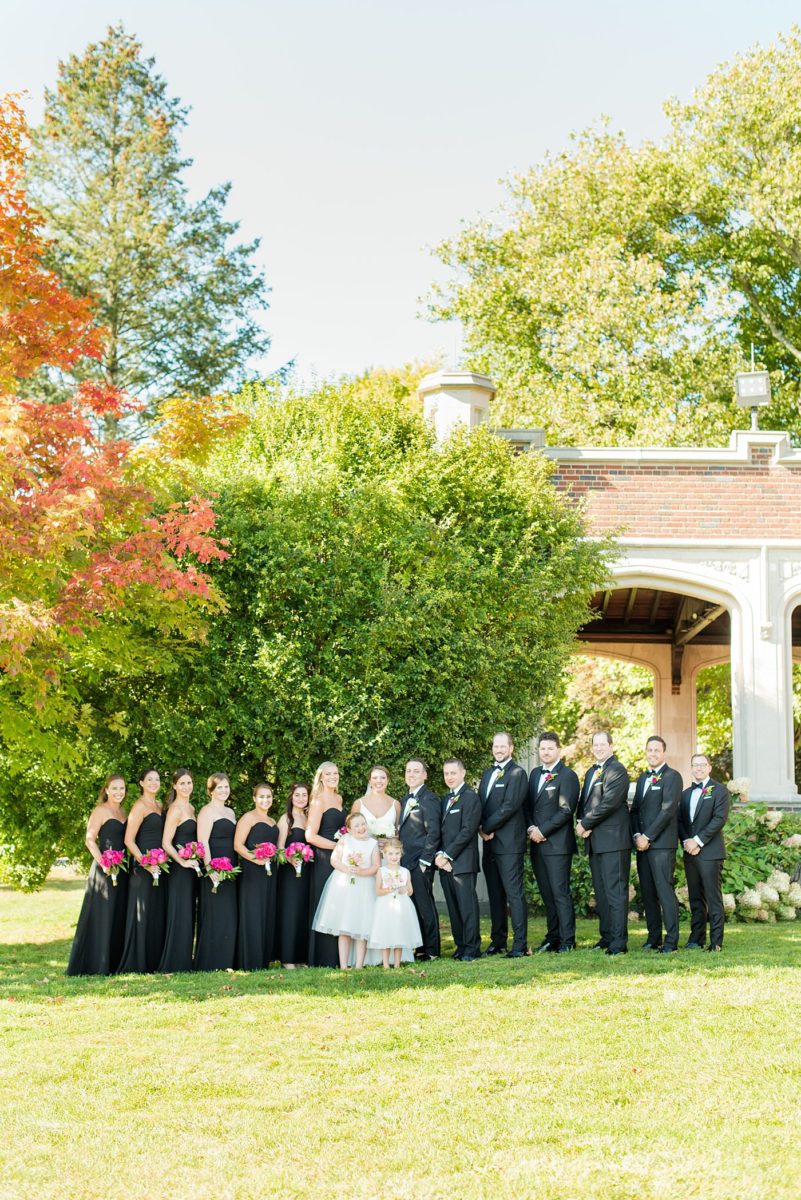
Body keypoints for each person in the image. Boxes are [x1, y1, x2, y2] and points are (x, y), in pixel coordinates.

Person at [67, 774, 129, 976]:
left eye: (122, 788)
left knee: (118, 914)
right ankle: (95, 964)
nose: (119, 792)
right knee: (103, 915)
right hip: (105, 870)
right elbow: (89, 839)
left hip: (122, 870)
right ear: (107, 790)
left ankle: (113, 962)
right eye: (115, 788)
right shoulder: (100, 811)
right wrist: (104, 862)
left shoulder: (123, 812)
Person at [576, 732, 631, 955]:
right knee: (601, 893)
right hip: (595, 841)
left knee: (616, 892)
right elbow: (585, 801)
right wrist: (580, 820)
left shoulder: (617, 770)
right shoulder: (591, 771)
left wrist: (586, 823)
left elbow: (609, 803)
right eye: (595, 745)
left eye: (602, 744)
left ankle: (619, 942)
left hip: (613, 841)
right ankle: (606, 936)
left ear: (611, 746)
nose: (598, 748)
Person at [525, 732, 580, 953]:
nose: (545, 752)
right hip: (537, 843)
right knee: (547, 894)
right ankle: (553, 937)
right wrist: (531, 828)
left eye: (550, 748)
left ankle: (568, 940)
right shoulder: (534, 774)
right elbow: (527, 806)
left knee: (560, 892)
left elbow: (566, 810)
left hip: (557, 844)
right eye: (542, 748)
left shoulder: (568, 775)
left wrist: (543, 830)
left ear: (559, 749)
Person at [630, 736, 683, 954]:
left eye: (656, 750)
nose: (652, 753)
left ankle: (671, 941)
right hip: (642, 845)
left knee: (664, 891)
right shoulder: (643, 778)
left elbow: (668, 810)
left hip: (661, 845)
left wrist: (648, 836)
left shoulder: (672, 777)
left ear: (664, 752)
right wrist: (636, 835)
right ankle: (654, 938)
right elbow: (635, 810)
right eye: (649, 750)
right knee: (648, 892)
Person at [478, 732, 529, 957]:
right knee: (495, 894)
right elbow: (481, 804)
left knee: (514, 894)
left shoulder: (518, 773)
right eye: (495, 746)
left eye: (502, 746)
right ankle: (498, 941)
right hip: (489, 844)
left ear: (511, 748)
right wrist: (479, 827)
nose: (498, 750)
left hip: (509, 844)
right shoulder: (488, 773)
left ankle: (519, 944)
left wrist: (486, 828)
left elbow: (509, 807)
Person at [311, 811, 380, 968]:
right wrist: (347, 869)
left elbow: (376, 866)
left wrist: (362, 872)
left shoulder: (372, 843)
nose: (361, 828)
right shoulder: (344, 840)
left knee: (363, 926)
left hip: (365, 887)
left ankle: (359, 965)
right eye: (357, 825)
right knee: (344, 926)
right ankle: (343, 965)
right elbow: (334, 859)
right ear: (349, 829)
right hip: (343, 885)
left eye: (363, 824)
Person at [679, 753, 730, 952]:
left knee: (712, 897)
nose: (698, 768)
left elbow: (719, 819)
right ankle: (696, 938)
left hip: (710, 852)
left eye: (702, 765)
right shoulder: (685, 794)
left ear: (709, 767)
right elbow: (681, 822)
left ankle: (715, 941)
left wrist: (698, 841)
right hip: (690, 852)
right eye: (695, 765)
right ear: (691, 768)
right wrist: (686, 841)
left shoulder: (719, 791)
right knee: (695, 898)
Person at [117, 767, 167, 974]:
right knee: (143, 913)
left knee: (156, 913)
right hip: (143, 867)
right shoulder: (139, 806)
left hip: (160, 866)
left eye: (157, 779)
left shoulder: (159, 804)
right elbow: (129, 840)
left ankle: (154, 961)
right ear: (141, 783)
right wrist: (145, 862)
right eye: (150, 780)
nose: (154, 783)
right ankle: (137, 963)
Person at [435, 758, 482, 962]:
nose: (449, 777)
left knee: (467, 907)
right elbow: (440, 831)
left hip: (462, 862)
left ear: (463, 773)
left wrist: (447, 855)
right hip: (445, 864)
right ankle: (461, 945)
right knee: (453, 908)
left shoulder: (471, 798)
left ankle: (472, 948)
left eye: (453, 773)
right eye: (446, 774)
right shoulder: (445, 799)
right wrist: (439, 855)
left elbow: (467, 831)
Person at [194, 772, 238, 971]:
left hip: (230, 867)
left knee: (228, 913)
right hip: (214, 867)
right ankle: (211, 962)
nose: (224, 790)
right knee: (215, 912)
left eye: (226, 787)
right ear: (211, 791)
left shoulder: (231, 812)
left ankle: (227, 960)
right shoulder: (206, 811)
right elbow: (202, 842)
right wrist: (210, 868)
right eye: (219, 787)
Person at [398, 757, 441, 960]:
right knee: (414, 906)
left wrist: (425, 861)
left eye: (416, 771)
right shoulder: (405, 800)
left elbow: (433, 832)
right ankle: (421, 947)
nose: (411, 774)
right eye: (408, 771)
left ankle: (432, 950)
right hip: (406, 862)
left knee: (425, 905)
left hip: (420, 862)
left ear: (424, 775)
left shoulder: (429, 799)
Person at [234, 782, 279, 970]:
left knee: (266, 912)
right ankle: (249, 960)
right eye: (261, 797)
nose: (265, 800)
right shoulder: (248, 818)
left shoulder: (273, 822)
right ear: (254, 798)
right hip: (252, 872)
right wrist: (256, 858)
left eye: (268, 796)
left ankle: (263, 960)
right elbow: (238, 845)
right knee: (253, 913)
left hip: (270, 873)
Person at [306, 761, 346, 968]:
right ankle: (322, 957)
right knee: (324, 904)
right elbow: (310, 835)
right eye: (328, 774)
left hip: (339, 859)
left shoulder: (339, 798)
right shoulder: (318, 801)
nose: (333, 777)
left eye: (336, 773)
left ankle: (338, 957)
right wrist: (337, 846)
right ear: (321, 777)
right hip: (324, 858)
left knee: (339, 903)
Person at [158, 768, 198, 973]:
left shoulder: (190, 807)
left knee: (188, 912)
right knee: (179, 912)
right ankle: (174, 962)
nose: (186, 786)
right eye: (181, 783)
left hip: (191, 867)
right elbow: (166, 842)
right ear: (174, 786)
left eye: (189, 782)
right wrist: (181, 862)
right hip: (180, 869)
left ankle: (185, 959)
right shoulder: (176, 809)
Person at [369, 837, 422, 967]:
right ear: (384, 854)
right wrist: (389, 889)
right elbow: (378, 891)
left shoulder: (405, 872)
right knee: (385, 932)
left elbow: (410, 891)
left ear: (401, 853)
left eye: (397, 853)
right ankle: (386, 964)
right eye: (390, 853)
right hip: (385, 905)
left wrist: (404, 889)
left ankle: (397, 963)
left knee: (400, 932)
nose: (394, 857)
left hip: (402, 905)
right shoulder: (381, 871)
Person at [277, 781, 312, 968]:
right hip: (290, 874)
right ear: (291, 797)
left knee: (302, 912)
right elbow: (279, 848)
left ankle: (300, 957)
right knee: (290, 912)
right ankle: (288, 958)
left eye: (304, 795)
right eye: (297, 795)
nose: (301, 798)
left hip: (307, 872)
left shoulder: (310, 818)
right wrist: (291, 860)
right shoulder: (286, 819)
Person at [350, 765, 399, 839]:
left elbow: (399, 834)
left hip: (388, 849)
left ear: (387, 780)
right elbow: (352, 832)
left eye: (382, 778)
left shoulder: (396, 804)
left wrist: (389, 842)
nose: (378, 780)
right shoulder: (358, 804)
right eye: (374, 778)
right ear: (369, 781)